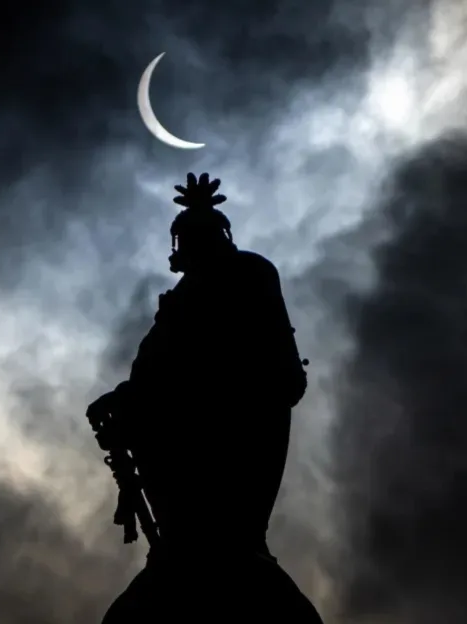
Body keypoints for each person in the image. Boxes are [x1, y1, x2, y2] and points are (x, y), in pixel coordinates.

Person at [88, 173, 323, 623]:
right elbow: (162, 377)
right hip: (175, 463)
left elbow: (224, 371)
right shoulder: (180, 301)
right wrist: (124, 401)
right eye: (189, 236)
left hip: (226, 449)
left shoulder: (247, 276)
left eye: (203, 234)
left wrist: (140, 401)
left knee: (220, 548)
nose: (194, 245)